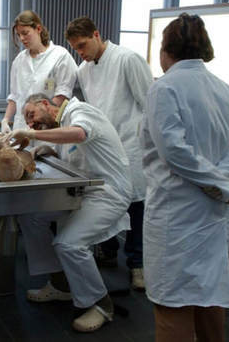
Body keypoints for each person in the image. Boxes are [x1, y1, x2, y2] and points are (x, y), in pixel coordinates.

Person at [139, 13, 229, 342]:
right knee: (209, 294)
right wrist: (223, 182)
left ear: (165, 50)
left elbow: (174, 151)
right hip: (217, 211)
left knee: (171, 303)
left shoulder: (164, 87)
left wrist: (217, 183)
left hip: (177, 212)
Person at [8, 93, 133, 333]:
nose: (31, 123)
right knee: (30, 216)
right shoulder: (61, 124)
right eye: (28, 122)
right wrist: (44, 150)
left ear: (46, 104)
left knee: (69, 244)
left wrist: (31, 135)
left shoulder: (80, 111)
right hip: (81, 192)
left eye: (31, 115)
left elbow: (79, 135)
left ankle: (100, 304)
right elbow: (74, 154)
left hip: (107, 193)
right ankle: (60, 284)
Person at [65, 16, 153, 290]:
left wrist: (151, 147)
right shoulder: (84, 70)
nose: (80, 53)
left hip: (131, 144)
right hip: (103, 148)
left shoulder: (128, 59)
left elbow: (150, 103)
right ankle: (108, 251)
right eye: (75, 49)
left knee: (136, 205)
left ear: (96, 34)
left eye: (82, 45)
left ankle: (137, 264)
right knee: (103, 200)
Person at [1, 10, 77, 133]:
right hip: (21, 127)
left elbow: (62, 96)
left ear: (38, 29)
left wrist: (37, 117)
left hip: (47, 128)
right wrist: (5, 120)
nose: (22, 38)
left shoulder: (60, 56)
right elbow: (14, 97)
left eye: (25, 33)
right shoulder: (19, 60)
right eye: (19, 35)